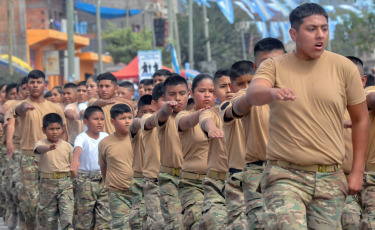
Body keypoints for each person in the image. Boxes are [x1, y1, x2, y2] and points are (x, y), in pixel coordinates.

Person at [246, 3, 369, 229]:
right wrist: (271, 92)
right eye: (311, 29)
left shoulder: (344, 68)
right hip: (284, 176)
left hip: (330, 178)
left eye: (324, 28)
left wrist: (357, 172)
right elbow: (253, 94)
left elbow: (361, 120)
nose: (320, 35)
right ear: (293, 33)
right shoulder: (274, 65)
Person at [225, 38, 286, 229]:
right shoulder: (248, 93)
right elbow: (235, 108)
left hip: (293, 171)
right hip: (258, 171)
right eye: (266, 63)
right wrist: (259, 95)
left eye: (279, 62)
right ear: (255, 66)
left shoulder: (298, 89)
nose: (273, 67)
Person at [15, 70, 67, 229]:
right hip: (30, 159)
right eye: (32, 82)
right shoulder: (22, 106)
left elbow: (63, 134)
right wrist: (24, 106)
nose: (35, 85)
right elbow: (19, 110)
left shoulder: (55, 107)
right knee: (30, 202)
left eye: (38, 82)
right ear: (27, 85)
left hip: (51, 158)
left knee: (50, 202)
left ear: (45, 85)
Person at [143, 76, 190, 229]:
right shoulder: (158, 117)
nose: (176, 99)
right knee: (172, 223)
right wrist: (165, 109)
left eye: (182, 93)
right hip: (166, 178)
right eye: (171, 95)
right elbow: (157, 118)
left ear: (189, 94)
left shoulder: (195, 117)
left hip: (192, 179)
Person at [175, 74, 216, 229]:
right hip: (192, 183)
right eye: (202, 91)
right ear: (191, 93)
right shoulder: (183, 115)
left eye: (211, 91)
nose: (207, 95)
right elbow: (188, 122)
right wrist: (205, 113)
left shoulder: (223, 115)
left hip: (218, 183)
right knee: (198, 221)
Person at [219, 62, 255, 229]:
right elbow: (231, 111)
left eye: (250, 83)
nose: (246, 88)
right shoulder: (228, 105)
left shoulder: (266, 105)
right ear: (231, 87)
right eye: (240, 84)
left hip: (262, 174)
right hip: (238, 178)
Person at [198, 70, 232, 229]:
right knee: (215, 222)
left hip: (246, 182)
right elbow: (206, 120)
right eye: (223, 86)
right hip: (216, 183)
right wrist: (211, 129)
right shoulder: (211, 113)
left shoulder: (254, 112)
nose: (229, 90)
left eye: (233, 85)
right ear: (216, 91)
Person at [70, 106, 111, 229]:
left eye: (102, 119)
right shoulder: (82, 137)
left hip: (103, 179)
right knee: (84, 219)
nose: (99, 122)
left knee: (105, 217)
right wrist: (75, 160)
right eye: (95, 119)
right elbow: (78, 147)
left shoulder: (105, 136)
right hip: (85, 180)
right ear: (86, 122)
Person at [340, 56, 367, 230]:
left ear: (363, 81)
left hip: (369, 178)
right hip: (340, 181)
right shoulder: (328, 105)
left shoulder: (367, 99)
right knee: (349, 220)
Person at [34, 113, 74, 230]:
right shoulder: (41, 144)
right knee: (48, 219)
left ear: (62, 129)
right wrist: (48, 148)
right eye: (51, 129)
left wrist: (76, 182)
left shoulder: (68, 147)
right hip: (47, 184)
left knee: (67, 217)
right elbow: (39, 150)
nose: (55, 132)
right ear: (44, 130)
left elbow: (73, 167)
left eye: (58, 128)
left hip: (66, 184)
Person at [99, 104, 134, 229]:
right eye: (122, 118)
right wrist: (110, 185)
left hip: (139, 192)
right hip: (118, 194)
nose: (127, 121)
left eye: (130, 118)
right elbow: (104, 166)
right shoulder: (105, 142)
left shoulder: (139, 138)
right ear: (112, 121)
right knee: (121, 226)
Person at [139, 84, 165, 229]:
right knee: (157, 223)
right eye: (164, 99)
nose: (170, 102)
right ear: (154, 104)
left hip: (179, 180)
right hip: (154, 180)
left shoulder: (182, 119)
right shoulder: (148, 118)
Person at [128, 95, 155, 229]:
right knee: (138, 220)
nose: (147, 115)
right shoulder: (136, 129)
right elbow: (134, 125)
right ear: (137, 113)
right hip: (139, 180)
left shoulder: (159, 130)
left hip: (156, 180)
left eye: (151, 112)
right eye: (144, 112)